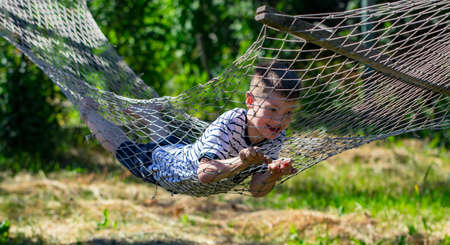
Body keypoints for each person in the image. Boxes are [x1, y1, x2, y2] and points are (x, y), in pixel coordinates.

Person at [80, 62, 301, 197]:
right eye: (272, 109)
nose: (280, 120)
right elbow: (204, 174)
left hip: (183, 150)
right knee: (120, 146)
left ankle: (150, 116)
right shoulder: (232, 122)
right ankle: (89, 111)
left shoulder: (276, 137)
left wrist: (273, 174)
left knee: (171, 144)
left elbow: (256, 190)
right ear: (250, 101)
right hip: (165, 167)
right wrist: (241, 162)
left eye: (288, 113)